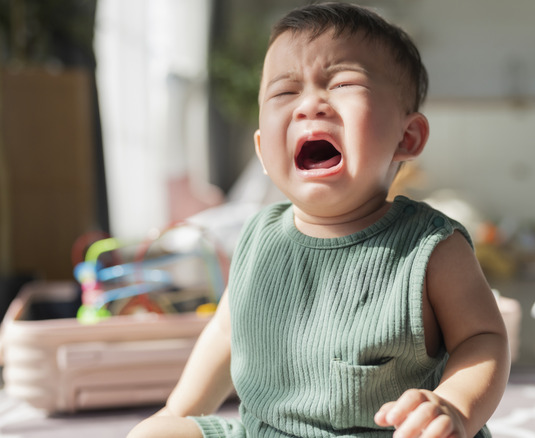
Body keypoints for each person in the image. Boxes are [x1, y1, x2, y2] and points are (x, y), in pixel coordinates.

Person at [128, 3, 509, 437]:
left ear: (407, 136)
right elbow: (227, 332)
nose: (310, 105)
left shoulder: (431, 247)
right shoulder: (258, 238)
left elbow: (482, 339)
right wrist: (175, 411)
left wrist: (454, 406)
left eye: (343, 83)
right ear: (263, 150)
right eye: (285, 92)